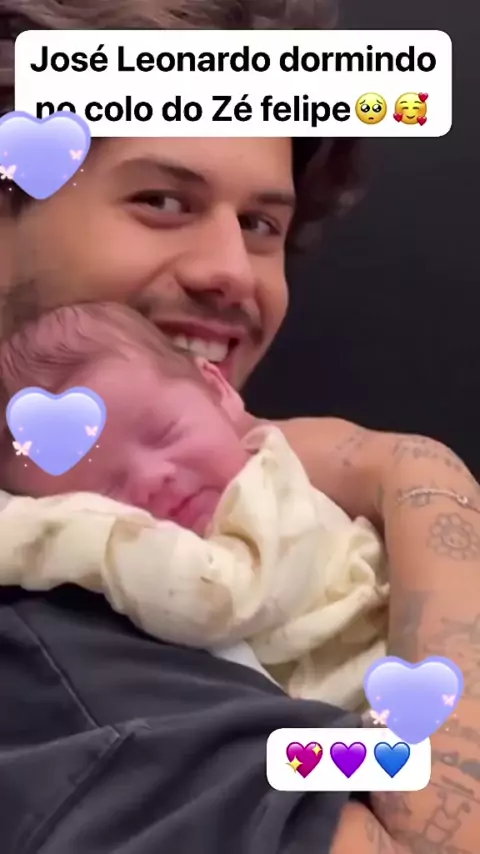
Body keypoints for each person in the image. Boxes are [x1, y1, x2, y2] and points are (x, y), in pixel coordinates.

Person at [0, 2, 479, 853]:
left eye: (260, 224)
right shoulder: (76, 676)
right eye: (161, 200)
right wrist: (415, 474)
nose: (234, 271)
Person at [0, 301, 388, 711]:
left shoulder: (268, 491)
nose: (152, 480)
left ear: (217, 389)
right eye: (102, 493)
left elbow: (219, 598)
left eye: (165, 434)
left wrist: (40, 534)